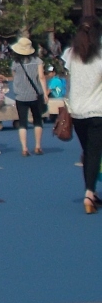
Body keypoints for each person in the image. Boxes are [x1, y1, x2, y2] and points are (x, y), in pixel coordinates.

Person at [62, 18, 102, 214]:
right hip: (98, 110)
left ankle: (90, 193)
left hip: (77, 111)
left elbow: (68, 83)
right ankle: (90, 192)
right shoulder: (100, 55)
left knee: (88, 151)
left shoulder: (71, 54)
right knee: (95, 152)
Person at [9, 37, 49, 157]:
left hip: (20, 95)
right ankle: (37, 146)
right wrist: (45, 93)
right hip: (35, 94)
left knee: (22, 122)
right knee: (37, 120)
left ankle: (24, 148)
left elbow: (14, 76)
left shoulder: (15, 63)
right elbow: (41, 77)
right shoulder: (38, 61)